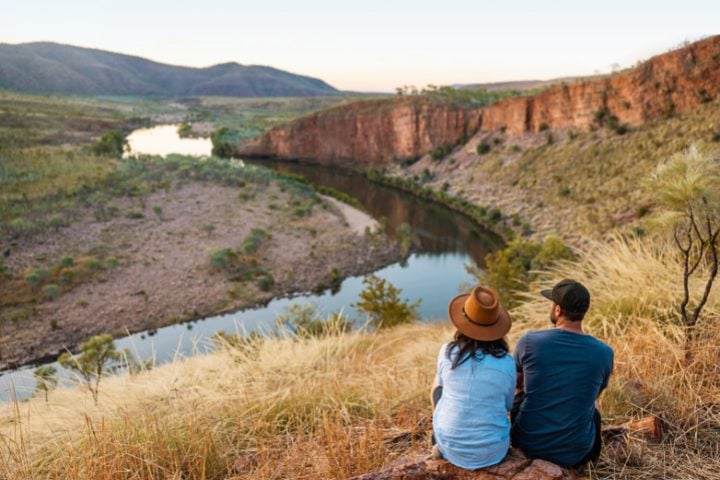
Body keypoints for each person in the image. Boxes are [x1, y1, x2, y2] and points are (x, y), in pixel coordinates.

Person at [511, 279, 614, 469]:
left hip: (527, 444)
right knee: (593, 407)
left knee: (521, 393)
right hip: (576, 453)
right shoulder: (605, 353)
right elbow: (595, 395)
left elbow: (516, 385)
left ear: (557, 310)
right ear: (583, 312)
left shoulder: (529, 342)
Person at [431, 285, 516, 470]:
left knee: (438, 386)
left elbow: (443, 389)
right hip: (495, 451)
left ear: (463, 322)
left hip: (450, 447)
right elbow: (509, 405)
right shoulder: (507, 362)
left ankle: (438, 443)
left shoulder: (447, 351)